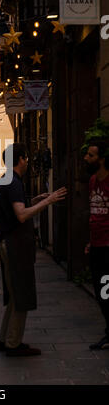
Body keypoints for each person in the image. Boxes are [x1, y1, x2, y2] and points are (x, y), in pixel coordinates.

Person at [0, 143, 67, 357]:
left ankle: (4, 339)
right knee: (21, 295)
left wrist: (34, 200)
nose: (27, 162)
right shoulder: (14, 182)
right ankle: (13, 344)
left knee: (16, 296)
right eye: (26, 158)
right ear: (21, 159)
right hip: (15, 245)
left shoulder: (6, 180)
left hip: (9, 242)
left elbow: (17, 208)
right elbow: (22, 215)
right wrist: (49, 201)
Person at [84, 138, 109, 350]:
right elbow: (94, 215)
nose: (86, 158)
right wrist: (91, 242)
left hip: (108, 247)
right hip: (97, 246)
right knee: (101, 291)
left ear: (101, 159)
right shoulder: (92, 181)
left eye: (91, 155)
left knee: (106, 292)